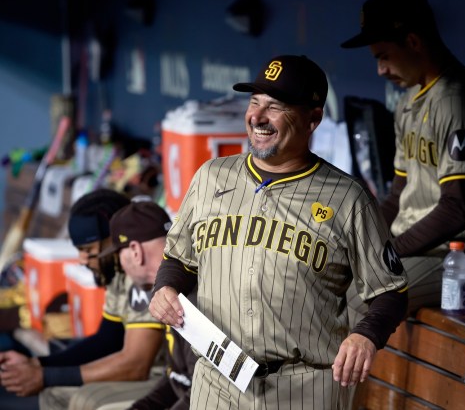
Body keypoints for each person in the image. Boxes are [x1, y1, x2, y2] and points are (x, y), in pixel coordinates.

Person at [148, 54, 409, 409]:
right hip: (217, 380)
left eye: (275, 106)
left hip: (304, 387)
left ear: (312, 118)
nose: (257, 116)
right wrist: (165, 286)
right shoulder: (210, 177)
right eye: (254, 102)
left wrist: (366, 336)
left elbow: (391, 291)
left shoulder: (348, 199)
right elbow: (179, 257)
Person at [341, 0, 465, 317]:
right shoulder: (408, 104)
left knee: (359, 296)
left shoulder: (455, 101)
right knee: (325, 277)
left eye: (384, 56)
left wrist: (385, 252)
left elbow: (457, 209)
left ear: (413, 41)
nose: (380, 69)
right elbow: (396, 197)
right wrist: (358, 243)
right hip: (418, 253)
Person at [0, 189, 166, 410]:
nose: (82, 260)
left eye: (88, 249)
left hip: (162, 376)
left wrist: (45, 376)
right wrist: (36, 365)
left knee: (85, 401)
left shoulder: (142, 272)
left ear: (114, 238)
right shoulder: (117, 273)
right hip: (144, 373)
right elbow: (108, 339)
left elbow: (136, 364)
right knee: (54, 394)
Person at [94, 200, 197, 410]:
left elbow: (203, 391)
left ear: (135, 252)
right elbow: (176, 379)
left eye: (118, 256)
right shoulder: (168, 290)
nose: (121, 268)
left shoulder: (188, 294)